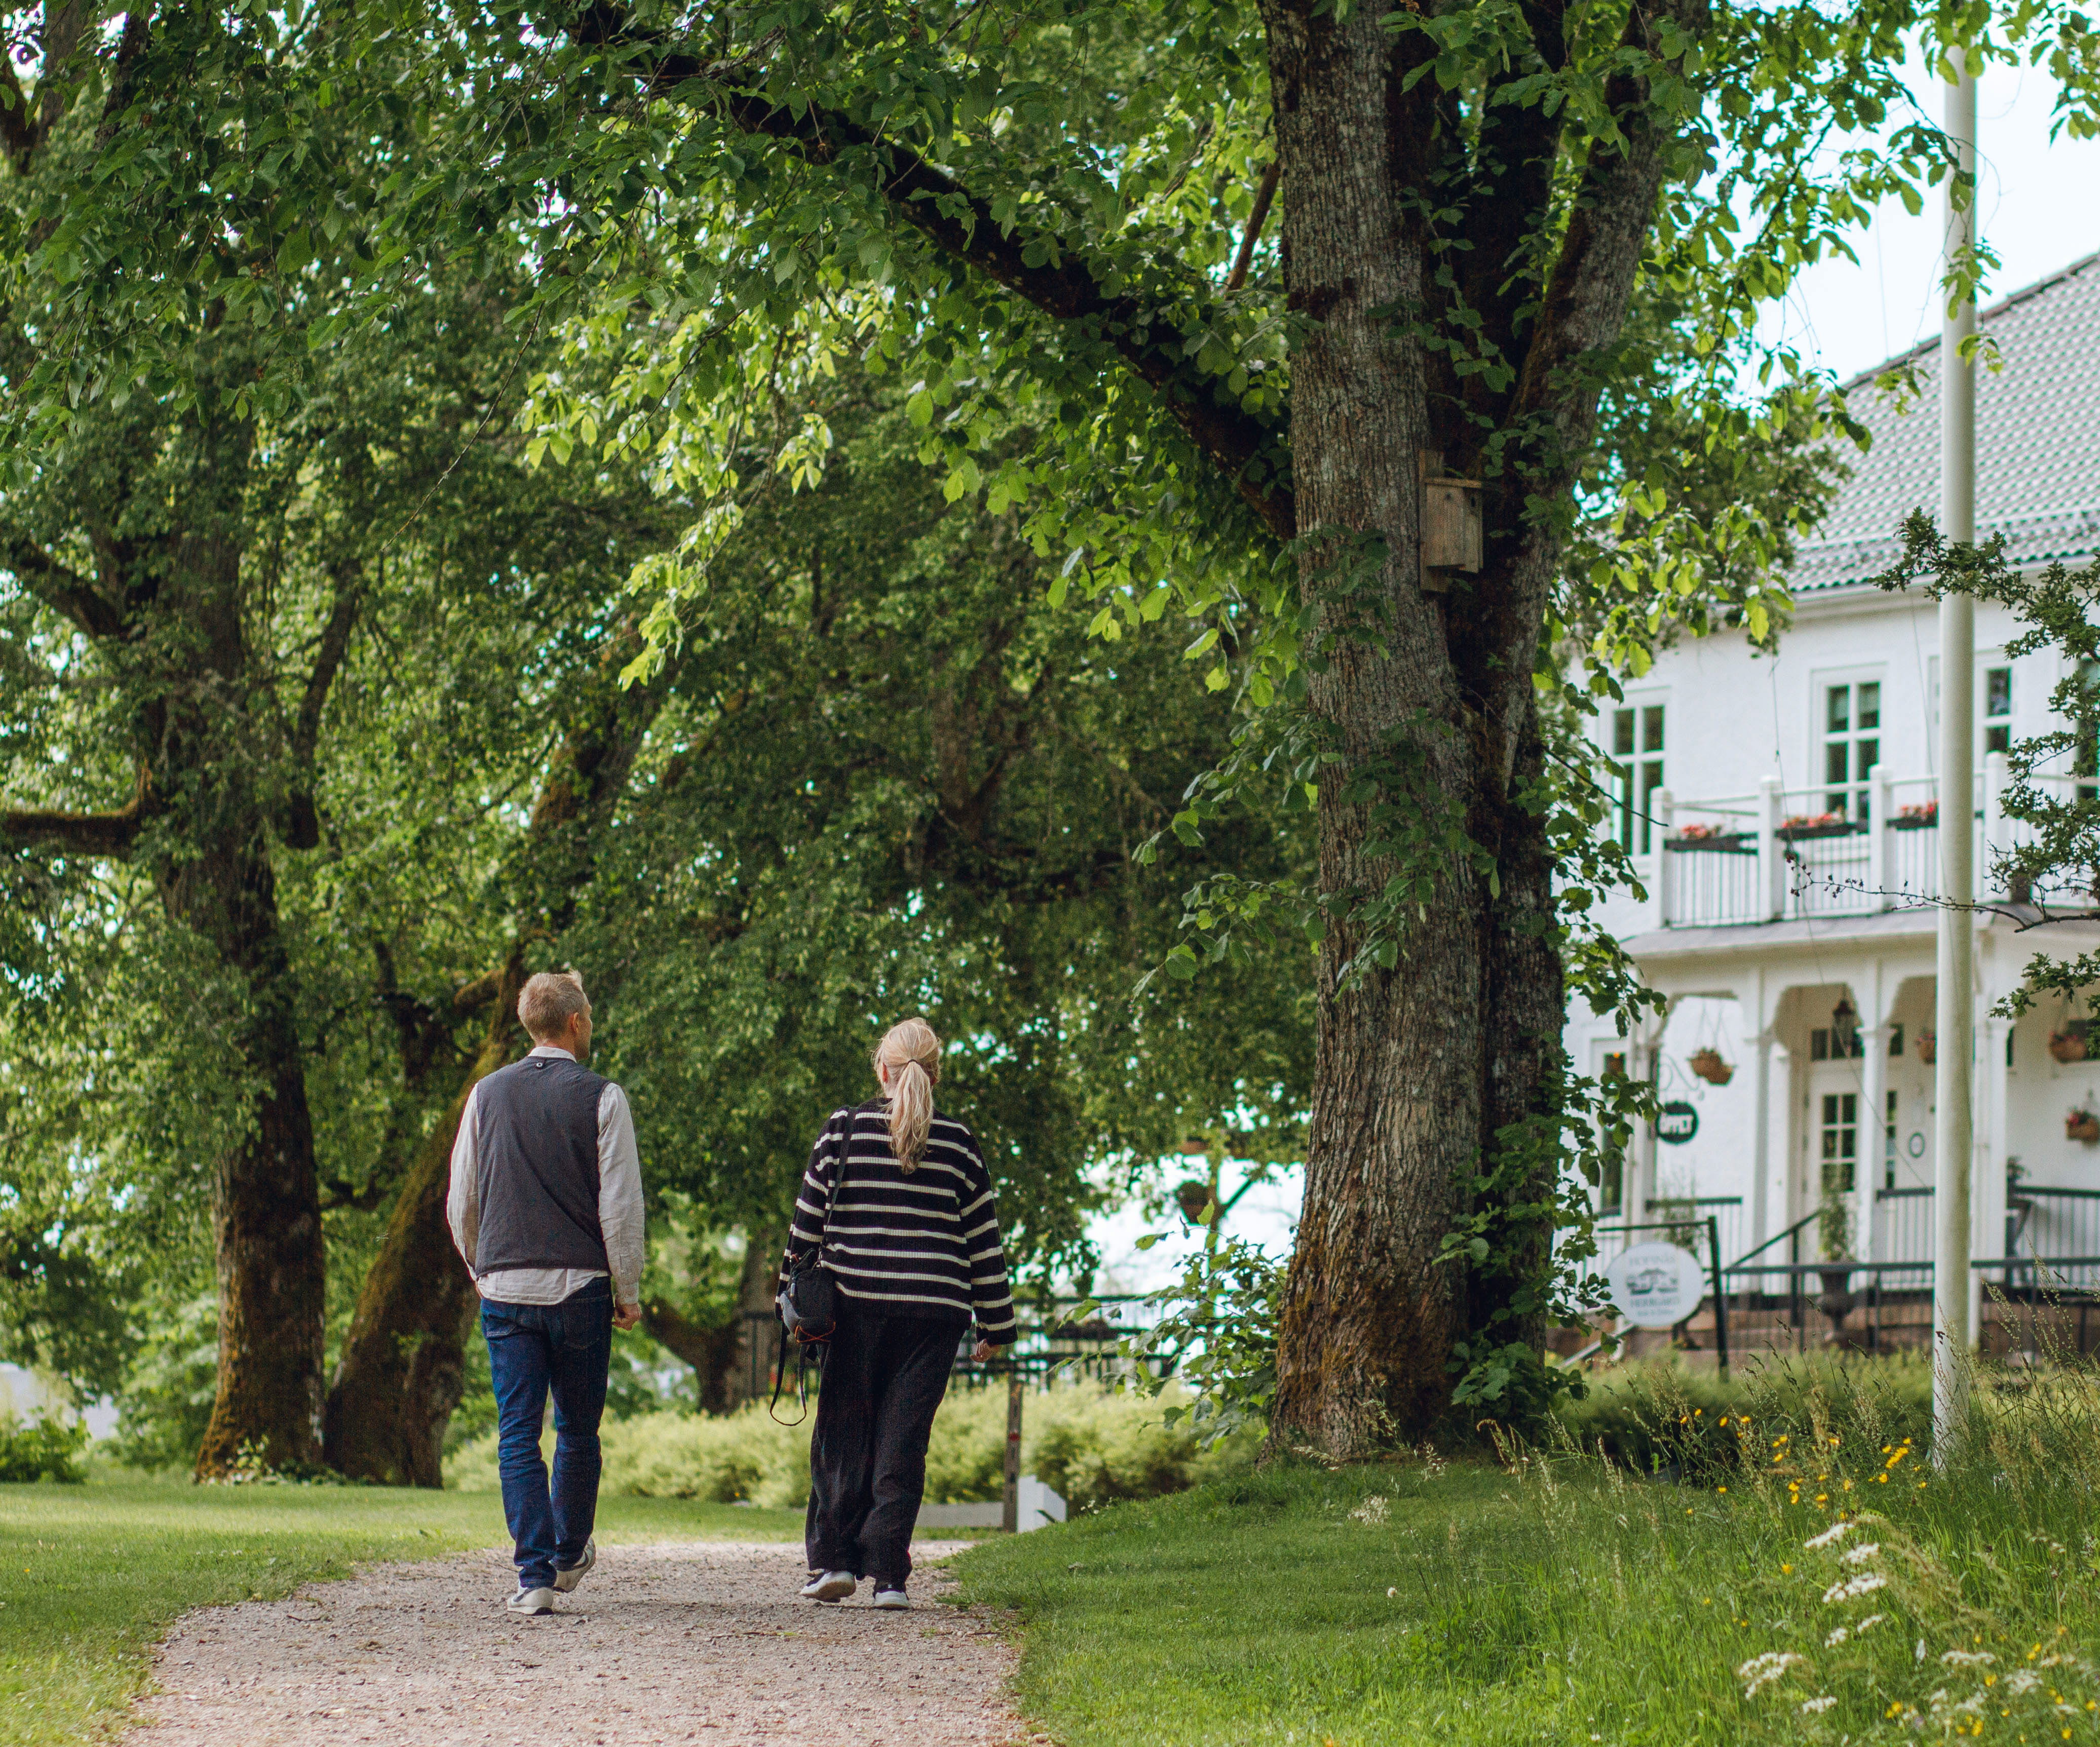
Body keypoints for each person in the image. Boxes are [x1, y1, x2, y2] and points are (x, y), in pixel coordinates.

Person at [785, 1016, 1017, 1610]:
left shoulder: (845, 1128)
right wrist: (996, 1322)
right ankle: (889, 1575)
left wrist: (793, 1291)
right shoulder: (960, 1144)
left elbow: (807, 1220)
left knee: (844, 1432)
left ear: (881, 1070)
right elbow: (982, 1240)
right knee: (902, 1440)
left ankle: (834, 1561)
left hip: (854, 1305)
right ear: (934, 1072)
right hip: (934, 1313)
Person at [446, 969, 644, 1615]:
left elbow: (462, 1199)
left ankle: (532, 1572)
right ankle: (567, 1553)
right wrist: (628, 1287)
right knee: (578, 1428)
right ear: (576, 1022)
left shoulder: (485, 1094)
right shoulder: (602, 1096)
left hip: (505, 1286)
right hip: (580, 1286)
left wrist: (482, 1268)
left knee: (516, 1433)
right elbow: (619, 1205)